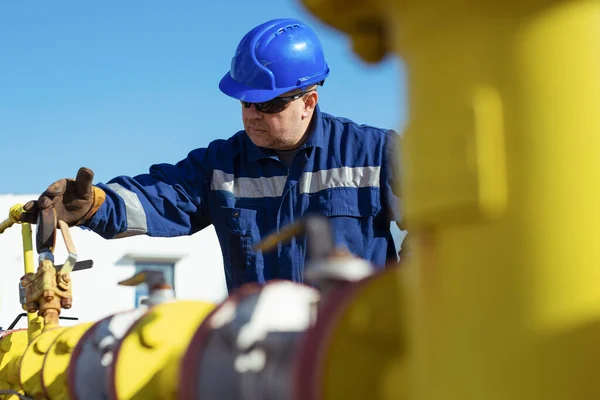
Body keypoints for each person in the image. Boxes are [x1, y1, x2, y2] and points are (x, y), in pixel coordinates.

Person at [20, 18, 403, 292]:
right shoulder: (221, 166)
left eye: (266, 104)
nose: (251, 114)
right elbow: (158, 198)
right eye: (244, 102)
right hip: (261, 358)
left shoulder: (376, 153)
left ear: (308, 101)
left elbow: (439, 228)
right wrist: (94, 205)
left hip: (358, 352)